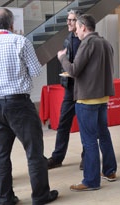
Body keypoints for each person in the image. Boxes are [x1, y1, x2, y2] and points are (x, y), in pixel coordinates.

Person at [0, 8, 58, 204]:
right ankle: (40, 196)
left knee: (1, 156)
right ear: (12, 24)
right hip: (19, 105)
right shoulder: (20, 41)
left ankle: (6, 198)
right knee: (34, 153)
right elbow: (34, 71)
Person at [57, 14, 118, 191]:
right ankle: (109, 171)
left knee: (89, 140)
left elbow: (74, 70)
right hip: (102, 97)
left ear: (83, 27)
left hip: (87, 99)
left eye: (76, 27)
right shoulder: (105, 43)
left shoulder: (88, 43)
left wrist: (62, 58)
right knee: (103, 134)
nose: (75, 31)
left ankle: (91, 181)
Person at [47, 9, 85, 170]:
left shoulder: (87, 41)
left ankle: (87, 156)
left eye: (71, 20)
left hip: (84, 88)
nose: (68, 23)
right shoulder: (68, 39)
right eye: (67, 19)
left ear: (80, 22)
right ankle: (57, 157)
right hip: (70, 88)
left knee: (85, 125)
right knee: (63, 124)